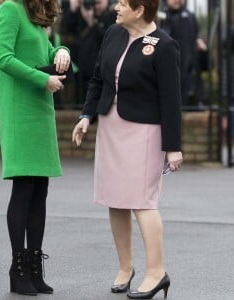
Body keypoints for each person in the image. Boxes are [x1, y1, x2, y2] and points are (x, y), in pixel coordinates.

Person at [72, 0, 183, 299]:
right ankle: (125, 268)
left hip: (145, 131)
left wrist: (173, 148)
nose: (115, 7)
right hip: (111, 126)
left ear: (140, 9)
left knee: (143, 202)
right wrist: (86, 116)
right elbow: (97, 79)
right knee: (116, 199)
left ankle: (156, 272)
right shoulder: (113, 34)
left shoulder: (164, 45)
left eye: (122, 3)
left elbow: (172, 100)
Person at [0, 0, 70, 296]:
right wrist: (43, 79)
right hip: (21, 112)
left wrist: (61, 52)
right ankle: (18, 269)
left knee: (40, 190)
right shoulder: (10, 9)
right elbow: (3, 57)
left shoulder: (35, 13)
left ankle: (35, 268)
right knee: (24, 188)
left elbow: (43, 52)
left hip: (40, 110)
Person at [60, 0, 116, 104]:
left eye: (98, 3)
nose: (95, 6)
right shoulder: (79, 12)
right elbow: (64, 29)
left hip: (99, 67)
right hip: (79, 66)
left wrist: (91, 22)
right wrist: (72, 10)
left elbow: (108, 39)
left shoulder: (112, 14)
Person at [159, 0, 207, 106]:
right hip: (168, 72)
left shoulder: (189, 16)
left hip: (189, 73)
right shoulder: (161, 17)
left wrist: (200, 45)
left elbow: (196, 39)